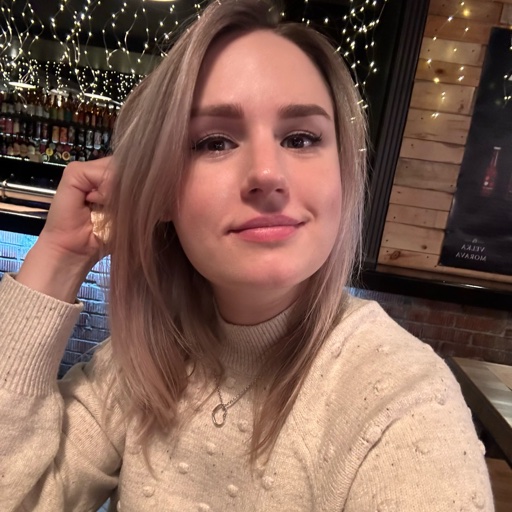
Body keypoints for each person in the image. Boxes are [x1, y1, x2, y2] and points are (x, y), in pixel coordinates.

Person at [0, 0, 494, 510]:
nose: (267, 174)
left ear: (343, 177)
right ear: (162, 190)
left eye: (301, 138)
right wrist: (59, 255)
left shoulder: (404, 403)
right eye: (214, 142)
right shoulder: (142, 364)